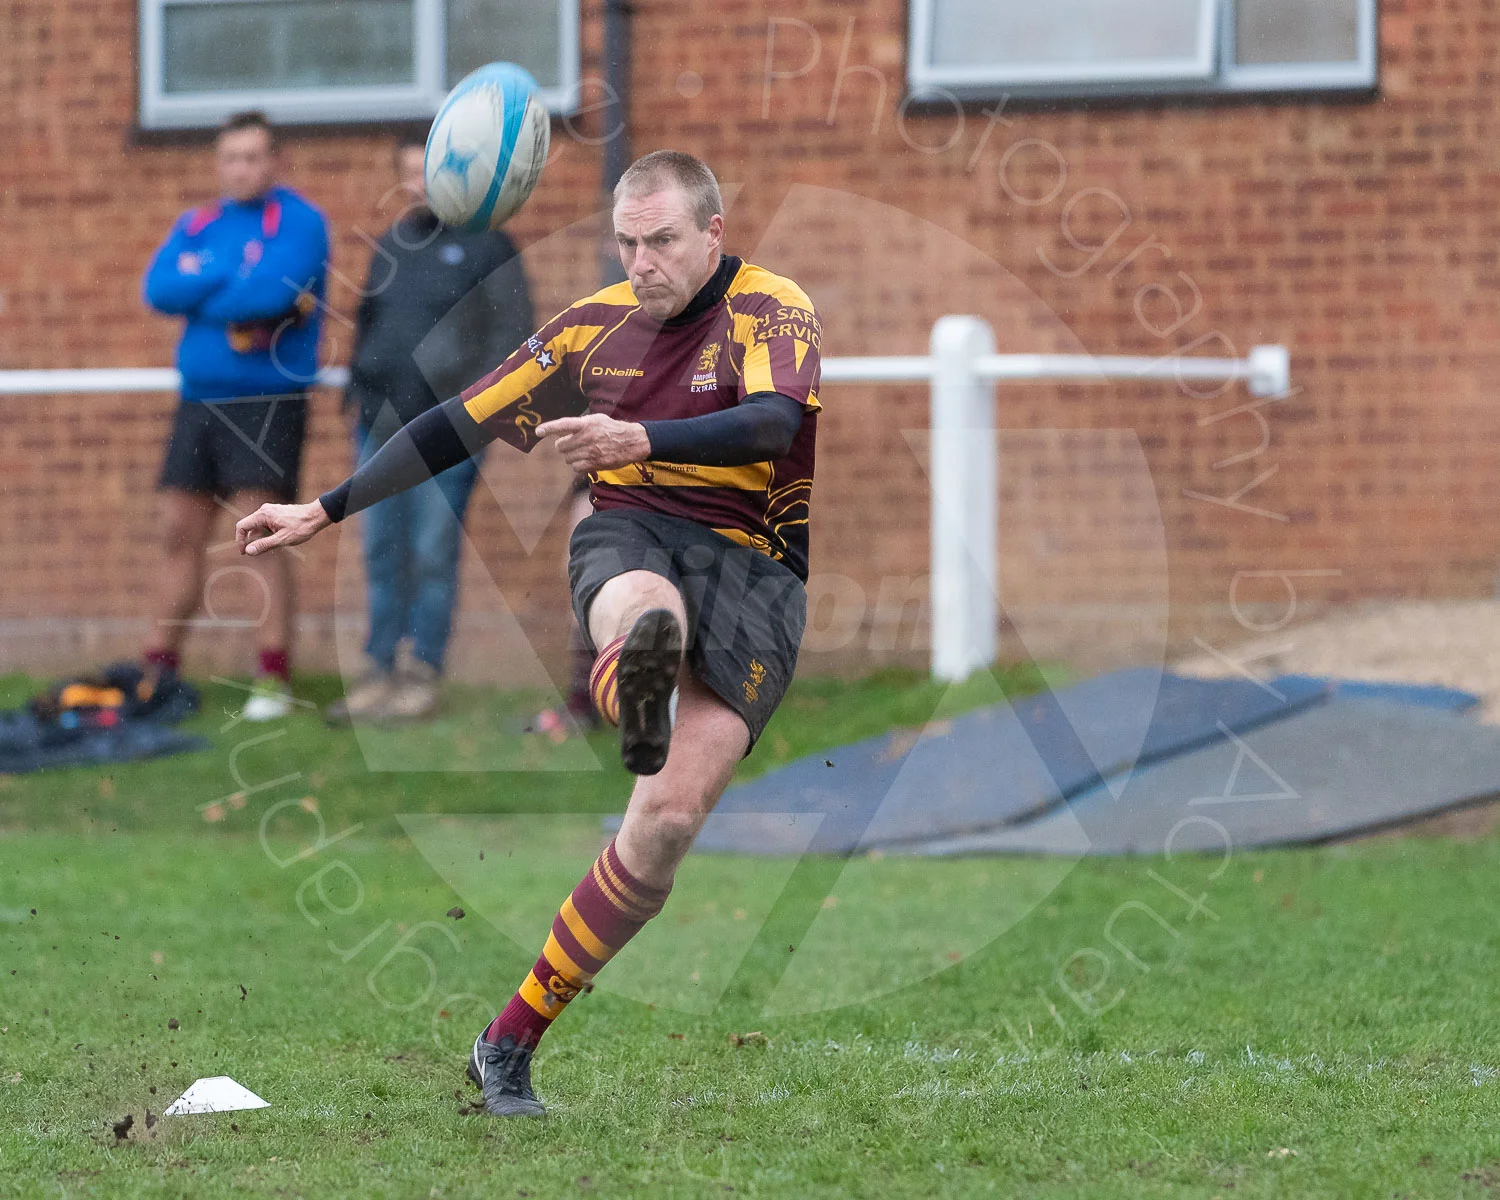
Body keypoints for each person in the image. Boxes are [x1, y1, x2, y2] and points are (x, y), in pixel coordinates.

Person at [236, 150, 822, 1115]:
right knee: (648, 619)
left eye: (663, 241)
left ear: (713, 235)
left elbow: (768, 424)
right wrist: (325, 509)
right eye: (627, 243)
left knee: (667, 822)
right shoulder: (593, 330)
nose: (642, 262)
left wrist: (643, 437)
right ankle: (637, 687)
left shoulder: (772, 307)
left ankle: (507, 1041)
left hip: (757, 569)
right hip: (634, 531)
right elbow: (455, 424)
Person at [329, 136, 534, 725]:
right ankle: (378, 672)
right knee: (381, 548)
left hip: (448, 431)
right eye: (409, 174)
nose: (418, 184)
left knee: (431, 548)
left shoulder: (489, 246)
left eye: (429, 172)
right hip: (377, 426)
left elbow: (513, 337)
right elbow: (370, 319)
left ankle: (421, 672)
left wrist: (475, 410)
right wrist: (355, 388)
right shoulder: (395, 242)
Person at [141, 110, 329, 722]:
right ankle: (157, 673)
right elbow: (159, 288)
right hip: (198, 399)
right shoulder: (198, 221)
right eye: (230, 158)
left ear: (274, 162)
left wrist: (208, 280)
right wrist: (229, 277)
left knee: (261, 536)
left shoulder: (299, 222)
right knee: (176, 531)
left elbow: (269, 294)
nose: (240, 168)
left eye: (252, 157)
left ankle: (272, 678)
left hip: (266, 400)